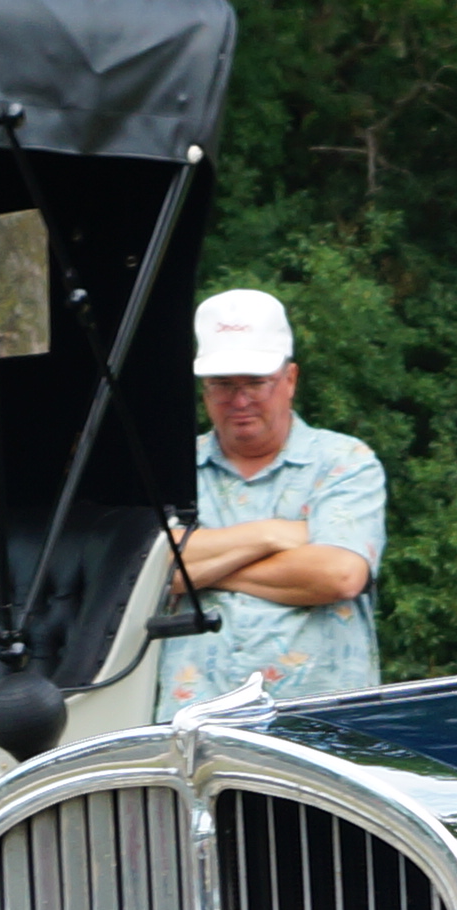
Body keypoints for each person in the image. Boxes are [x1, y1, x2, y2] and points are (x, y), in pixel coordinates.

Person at [159, 287, 385, 703]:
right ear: (205, 389)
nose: (240, 400)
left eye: (256, 382)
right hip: (193, 720)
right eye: (223, 384)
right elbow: (142, 577)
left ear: (290, 380)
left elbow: (340, 574)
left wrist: (195, 569)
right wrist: (271, 535)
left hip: (318, 716)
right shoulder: (170, 468)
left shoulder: (346, 461)